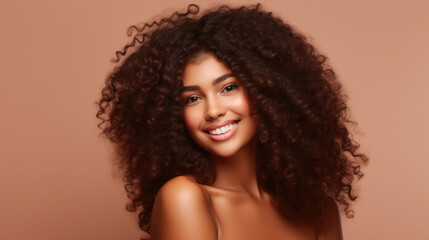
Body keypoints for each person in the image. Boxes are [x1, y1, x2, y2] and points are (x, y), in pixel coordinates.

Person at [96, 3, 368, 240]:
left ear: (267, 89)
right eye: (192, 99)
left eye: (228, 88)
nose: (213, 110)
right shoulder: (184, 199)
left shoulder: (319, 210)